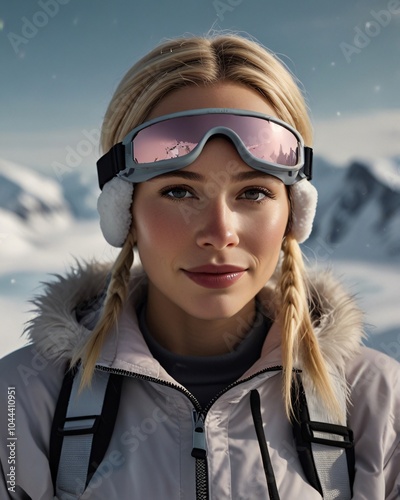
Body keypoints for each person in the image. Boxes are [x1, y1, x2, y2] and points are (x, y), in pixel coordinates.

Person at [0, 33, 399, 500]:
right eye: (179, 191)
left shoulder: (380, 404)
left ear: (294, 212)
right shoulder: (21, 404)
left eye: (253, 193)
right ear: (123, 211)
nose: (219, 231)